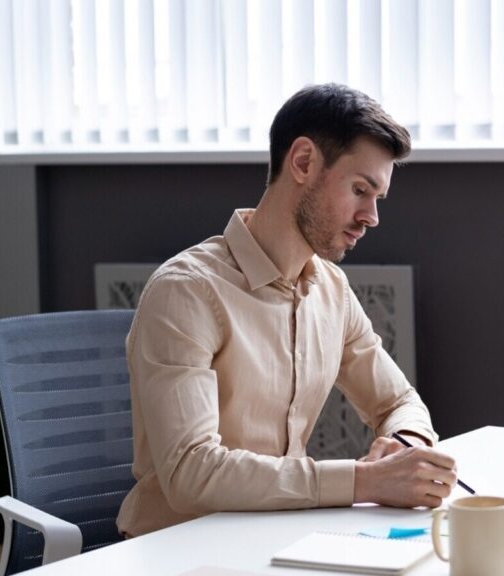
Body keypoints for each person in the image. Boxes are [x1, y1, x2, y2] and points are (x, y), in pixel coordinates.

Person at [117, 84, 457, 537]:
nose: (372, 216)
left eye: (377, 198)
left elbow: (397, 400)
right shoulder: (187, 292)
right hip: (178, 547)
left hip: (278, 538)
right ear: (302, 162)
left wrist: (404, 447)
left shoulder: (332, 290)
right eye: (360, 189)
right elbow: (191, 472)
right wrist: (363, 481)